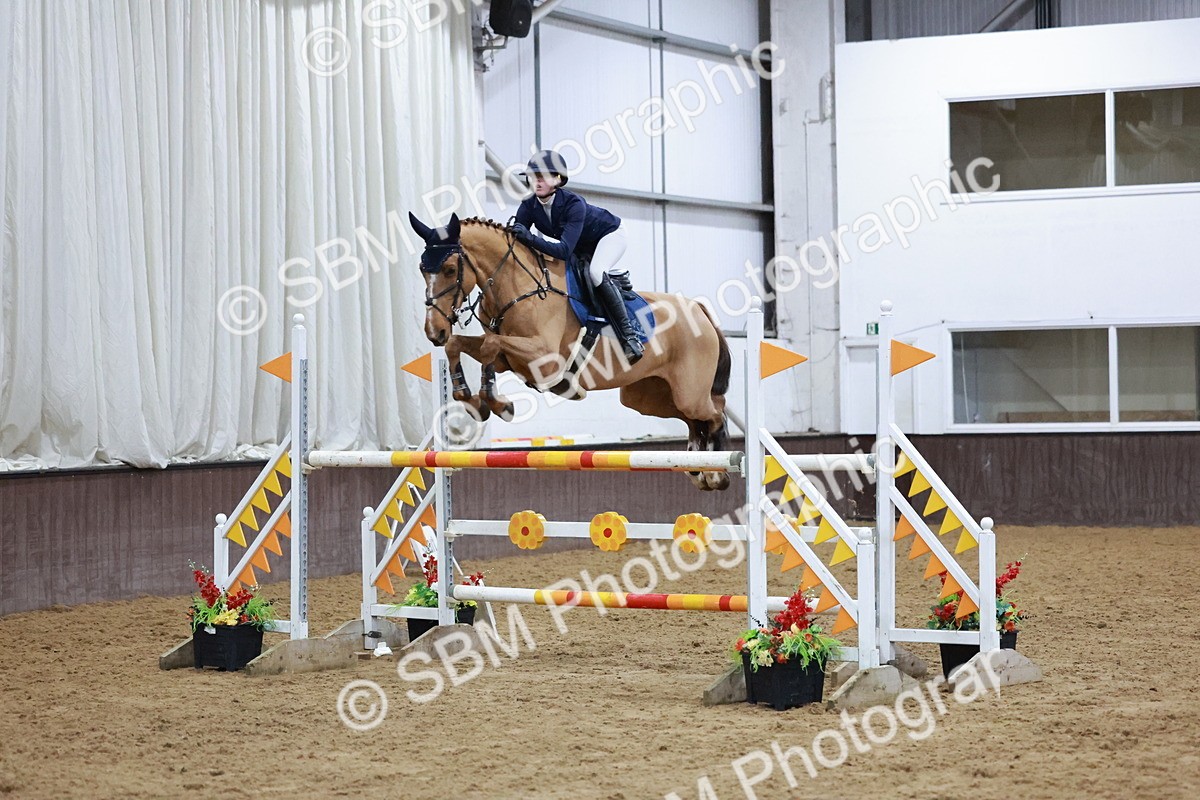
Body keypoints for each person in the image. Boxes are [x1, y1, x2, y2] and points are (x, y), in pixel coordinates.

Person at [509, 150, 644, 364]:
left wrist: (531, 238)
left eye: (542, 176)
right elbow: (517, 240)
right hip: (580, 244)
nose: (536, 181)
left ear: (557, 179)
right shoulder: (529, 205)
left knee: (596, 272)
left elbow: (563, 250)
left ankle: (629, 337)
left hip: (609, 235)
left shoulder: (573, 203)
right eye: (533, 177)